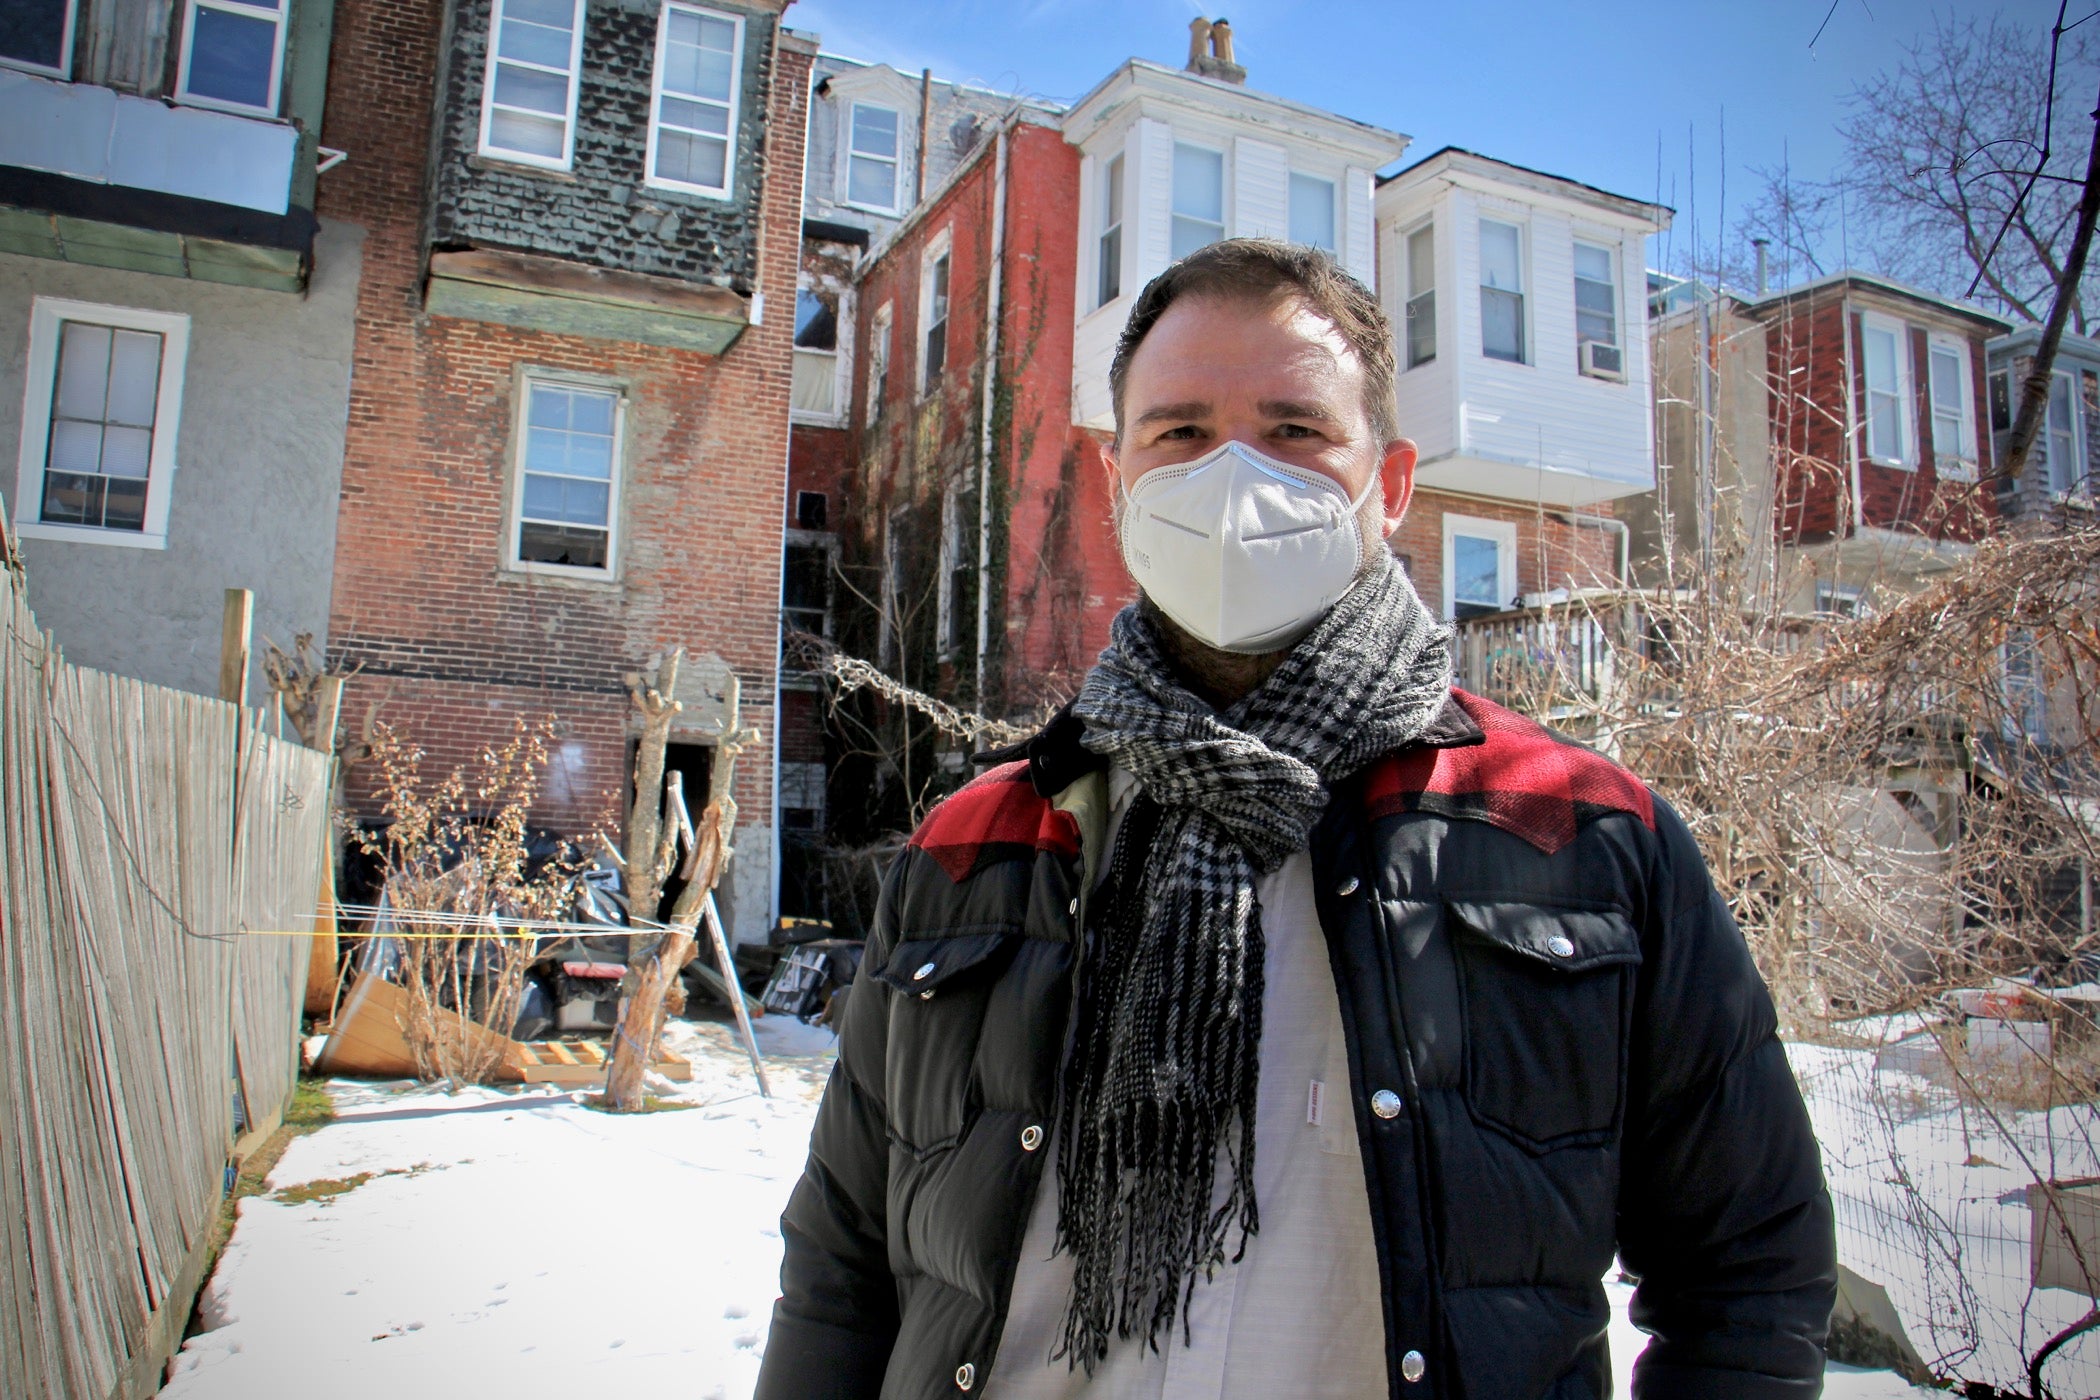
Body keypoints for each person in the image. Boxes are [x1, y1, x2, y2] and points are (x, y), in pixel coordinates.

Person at [754, 239, 1835, 1400]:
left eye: (1294, 430)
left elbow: (1749, 1280)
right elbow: (843, 1272)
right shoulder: (977, 840)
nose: (1233, 477)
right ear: (1119, 480)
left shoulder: (1581, 834)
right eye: (1179, 432)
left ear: (1394, 479)